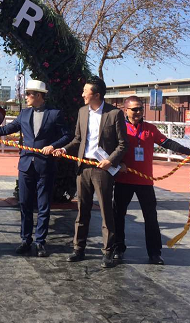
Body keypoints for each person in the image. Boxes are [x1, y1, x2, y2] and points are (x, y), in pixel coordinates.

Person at [0, 79, 71, 257]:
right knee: (24, 204)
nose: (26, 97)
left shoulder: (55, 114)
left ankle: (40, 242)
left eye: (29, 94)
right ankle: (26, 239)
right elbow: (5, 130)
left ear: (38, 95)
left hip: (45, 166)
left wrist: (53, 146)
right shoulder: (24, 114)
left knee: (43, 206)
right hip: (25, 166)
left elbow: (67, 136)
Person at [54, 76, 128, 268]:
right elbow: (78, 139)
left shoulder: (115, 114)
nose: (82, 94)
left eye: (85, 91)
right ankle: (78, 249)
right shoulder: (82, 112)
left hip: (102, 169)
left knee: (105, 211)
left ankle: (108, 251)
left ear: (96, 94)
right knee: (82, 210)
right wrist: (64, 149)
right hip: (83, 167)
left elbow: (122, 144)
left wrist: (110, 161)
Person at [113, 95, 190, 265]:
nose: (138, 112)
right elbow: (109, 150)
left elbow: (167, 143)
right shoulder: (119, 128)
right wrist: (118, 164)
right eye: (134, 109)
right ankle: (118, 249)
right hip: (124, 180)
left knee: (151, 218)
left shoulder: (150, 129)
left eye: (141, 109)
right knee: (118, 216)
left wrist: (188, 152)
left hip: (145, 182)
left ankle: (155, 253)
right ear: (125, 110)